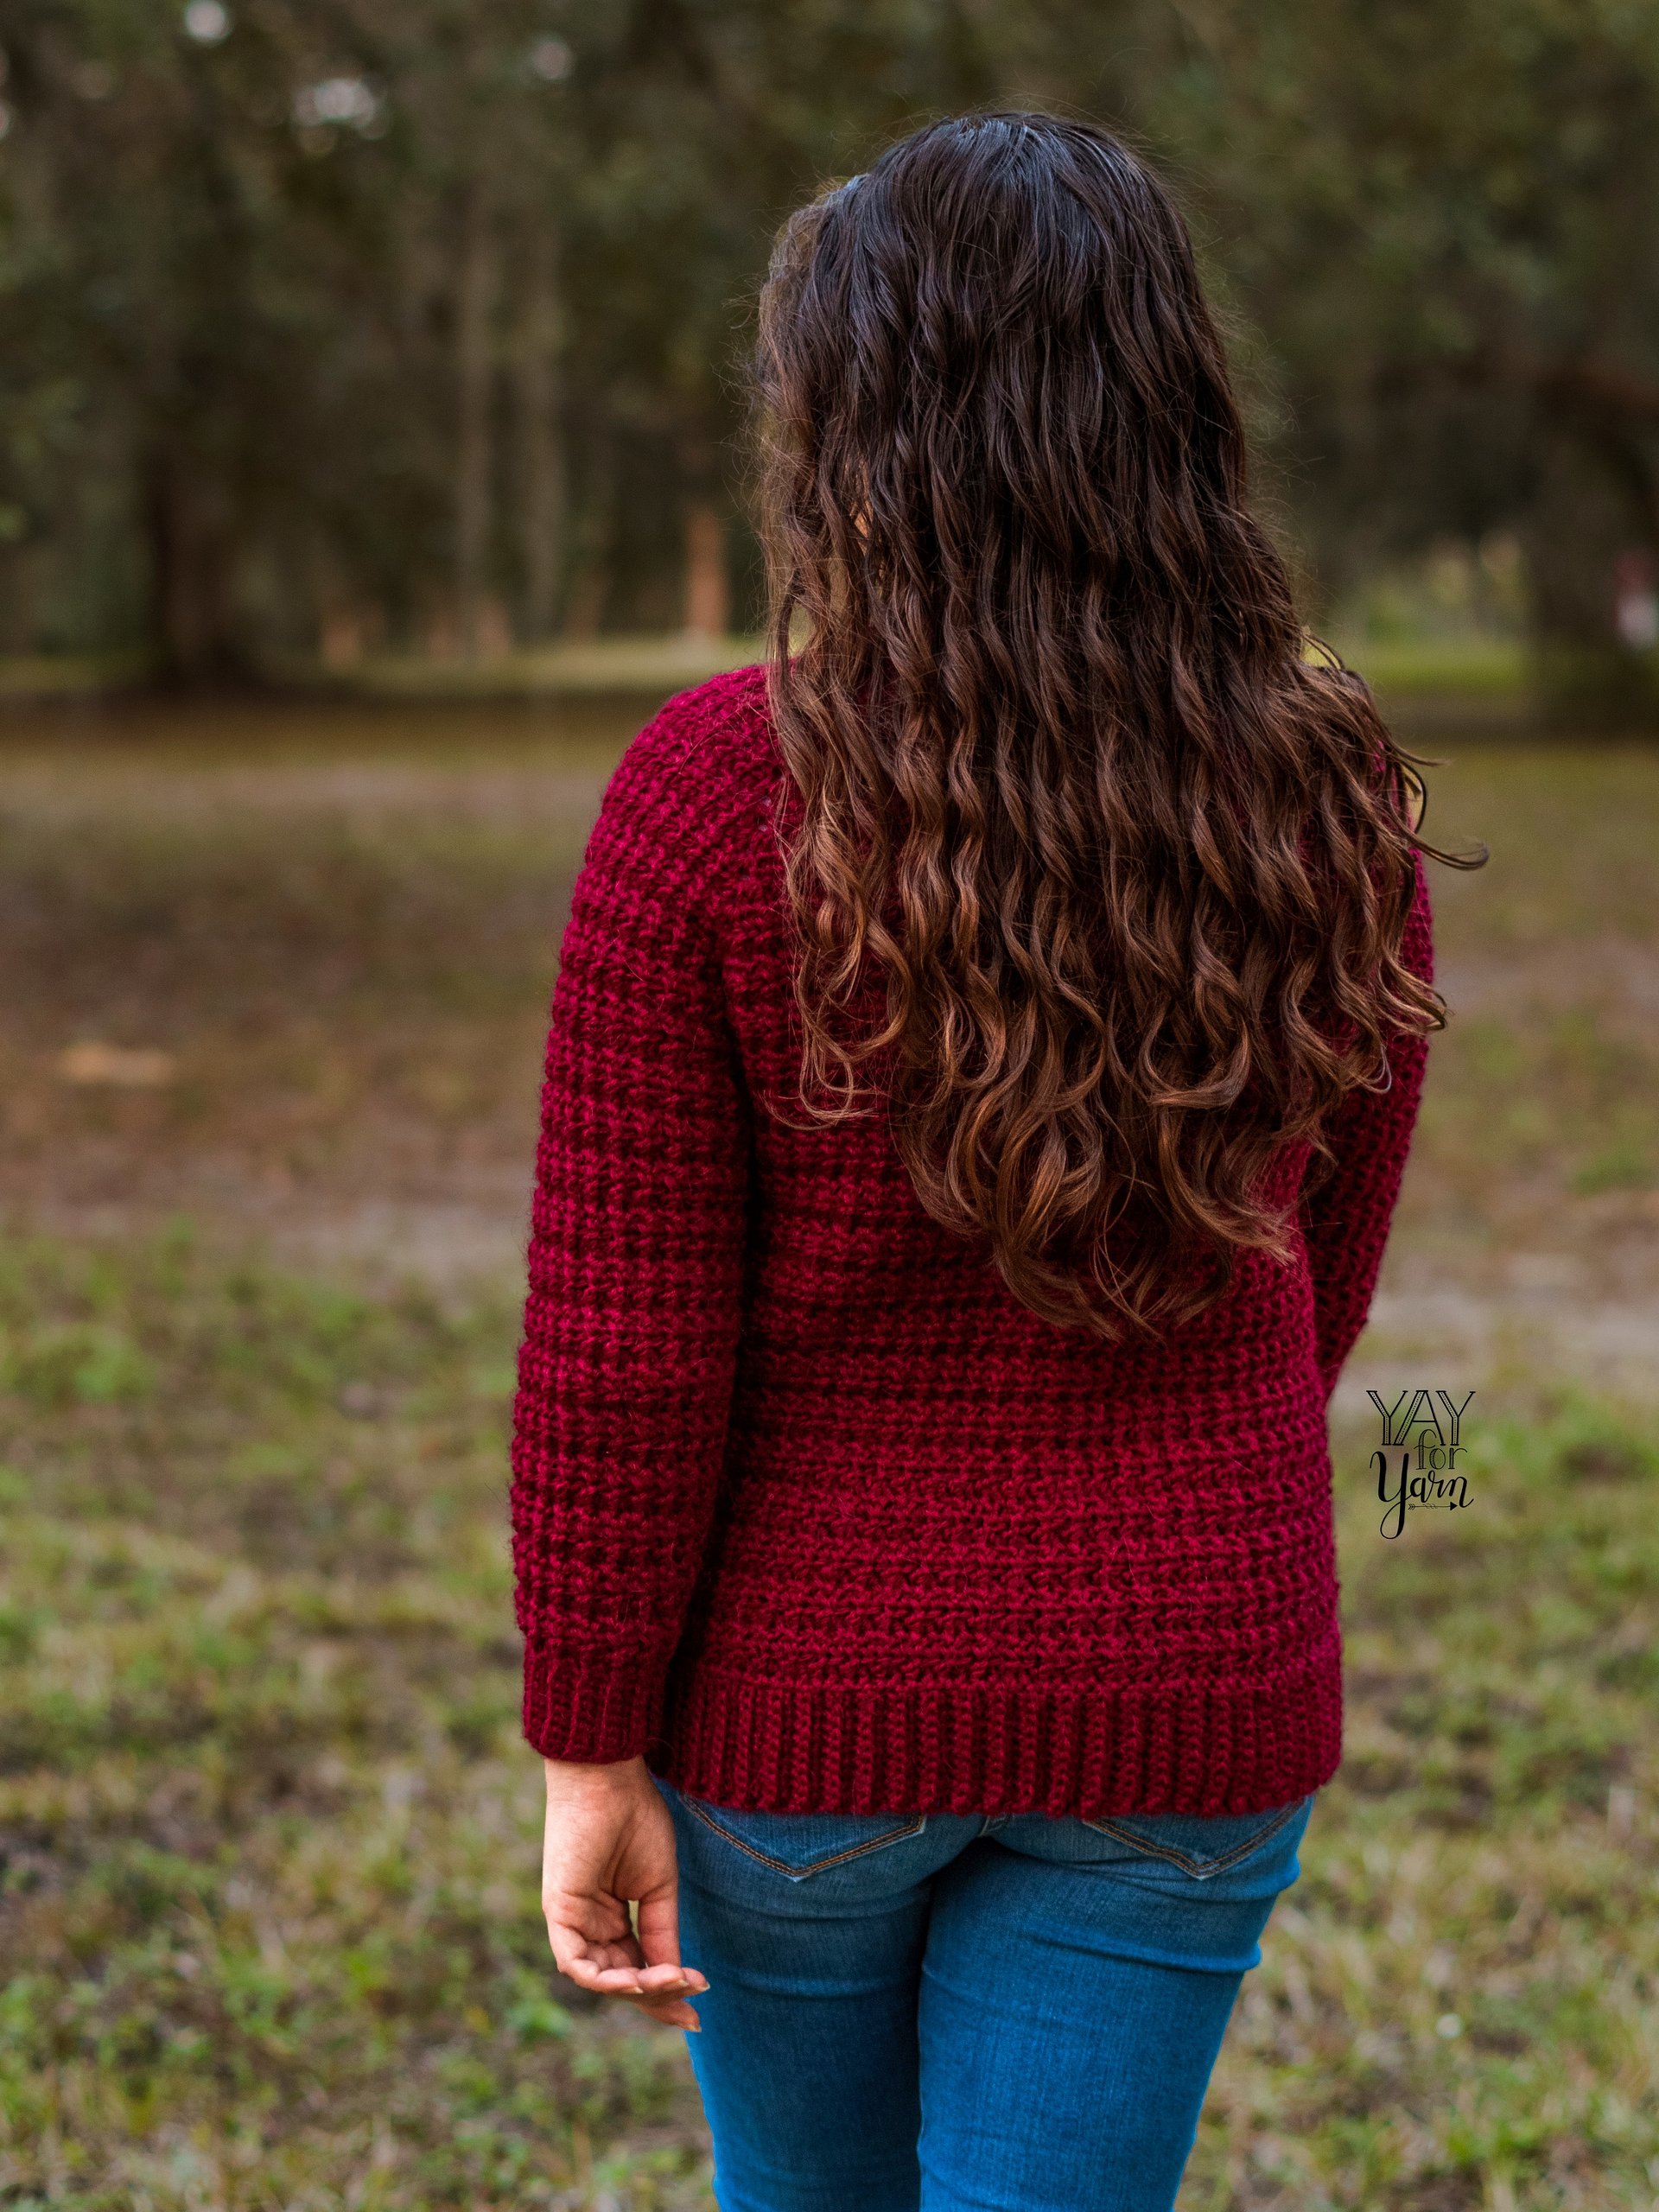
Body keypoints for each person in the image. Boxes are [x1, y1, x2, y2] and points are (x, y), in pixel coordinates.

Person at [511, 111, 1456, 2212]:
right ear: (1172, 410)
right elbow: (1329, 1257)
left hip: (799, 1707)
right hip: (1190, 1679)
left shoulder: (704, 802)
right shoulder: (1331, 791)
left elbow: (623, 1358)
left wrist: (588, 1744)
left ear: (846, 431)